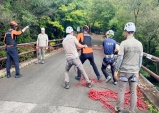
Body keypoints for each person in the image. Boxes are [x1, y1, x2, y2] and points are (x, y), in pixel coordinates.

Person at [115, 22, 143, 113]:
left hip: (124, 71)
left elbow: (120, 58)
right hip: (134, 72)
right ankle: (132, 110)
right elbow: (140, 60)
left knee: (121, 91)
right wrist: (138, 71)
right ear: (134, 32)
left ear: (126, 31)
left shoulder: (124, 43)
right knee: (133, 92)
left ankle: (120, 109)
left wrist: (116, 69)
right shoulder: (139, 44)